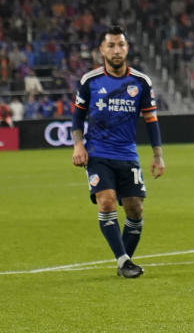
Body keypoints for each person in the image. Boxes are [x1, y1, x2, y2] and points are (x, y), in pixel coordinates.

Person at [71, 25, 165, 279]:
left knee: (135, 209)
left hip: (127, 155)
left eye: (120, 45)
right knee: (107, 202)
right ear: (102, 50)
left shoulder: (141, 82)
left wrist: (158, 156)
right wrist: (78, 145)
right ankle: (124, 260)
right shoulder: (90, 81)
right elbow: (77, 118)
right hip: (98, 153)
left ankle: (124, 263)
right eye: (111, 45)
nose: (116, 50)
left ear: (127, 48)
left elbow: (151, 120)